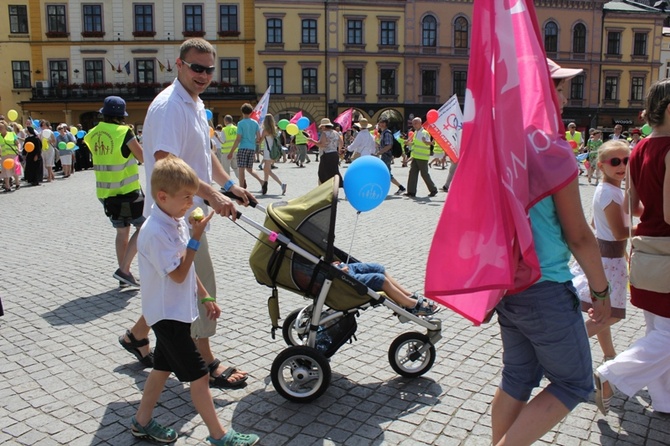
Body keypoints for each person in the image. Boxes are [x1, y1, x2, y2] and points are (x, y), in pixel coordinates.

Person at [120, 38, 253, 388]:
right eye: (197, 67)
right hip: (175, 215)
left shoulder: (195, 102)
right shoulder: (169, 107)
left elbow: (204, 155)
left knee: (169, 282)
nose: (204, 75)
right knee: (200, 283)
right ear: (178, 65)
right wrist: (210, 196)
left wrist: (228, 186)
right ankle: (206, 360)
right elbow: (168, 164)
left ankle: (136, 335)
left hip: (189, 210)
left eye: (210, 69)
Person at [490, 59, 611, 446]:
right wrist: (602, 292)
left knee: (517, 377)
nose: (563, 96)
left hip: (509, 282)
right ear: (539, 93)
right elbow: (579, 236)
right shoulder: (552, 152)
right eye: (557, 87)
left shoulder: (498, 147)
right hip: (545, 284)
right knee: (574, 382)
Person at [131, 155, 259, 446]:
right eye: (186, 197)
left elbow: (187, 271)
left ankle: (141, 422)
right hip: (167, 316)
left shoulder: (173, 218)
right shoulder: (155, 231)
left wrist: (206, 297)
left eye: (192, 197)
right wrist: (195, 240)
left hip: (176, 311)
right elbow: (177, 274)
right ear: (162, 196)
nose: (191, 203)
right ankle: (219, 436)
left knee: (161, 369)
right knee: (200, 377)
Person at [594, 79, 670, 416]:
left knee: (657, 330)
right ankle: (611, 373)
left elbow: (634, 206)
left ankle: (665, 401)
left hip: (645, 251)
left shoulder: (638, 149)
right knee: (666, 336)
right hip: (667, 250)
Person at [573, 140, 631, 373]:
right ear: (602, 165)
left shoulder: (608, 190)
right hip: (609, 261)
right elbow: (619, 232)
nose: (622, 166)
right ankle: (568, 345)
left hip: (607, 256)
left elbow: (596, 223)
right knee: (612, 314)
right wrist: (649, 230)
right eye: (615, 161)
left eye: (627, 160)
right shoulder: (611, 192)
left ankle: (609, 355)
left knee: (601, 311)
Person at [85, 96, 145, 289]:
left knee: (122, 232)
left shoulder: (92, 133)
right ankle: (124, 269)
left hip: (105, 192)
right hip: (126, 191)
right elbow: (141, 156)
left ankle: (124, 273)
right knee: (144, 227)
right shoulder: (123, 132)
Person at [335, 261, 438, 316]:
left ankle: (407, 296)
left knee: (377, 268)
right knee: (379, 279)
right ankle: (411, 305)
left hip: (340, 266)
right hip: (337, 276)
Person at [229, 103, 264, 191]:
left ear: (242, 112)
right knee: (249, 168)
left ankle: (241, 189)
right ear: (251, 112)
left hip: (243, 147)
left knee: (241, 169)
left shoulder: (240, 123)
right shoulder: (255, 123)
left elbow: (238, 139)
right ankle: (262, 181)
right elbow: (258, 137)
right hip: (251, 148)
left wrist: (231, 151)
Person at [405, 117, 438, 198]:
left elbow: (428, 143)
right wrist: (409, 143)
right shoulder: (416, 132)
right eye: (413, 123)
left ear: (420, 123)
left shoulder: (424, 132)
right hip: (416, 156)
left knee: (424, 174)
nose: (414, 125)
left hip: (422, 158)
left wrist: (426, 142)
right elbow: (415, 144)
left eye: (416, 123)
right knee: (412, 173)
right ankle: (411, 192)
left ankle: (433, 190)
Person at [308, 118, 343, 186]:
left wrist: (312, 141)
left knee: (322, 173)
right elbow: (341, 142)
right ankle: (340, 184)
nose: (321, 129)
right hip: (334, 154)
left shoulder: (324, 133)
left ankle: (322, 188)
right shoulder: (336, 132)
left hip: (326, 155)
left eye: (321, 127)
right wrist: (338, 150)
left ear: (324, 126)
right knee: (334, 171)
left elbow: (322, 145)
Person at [376, 118, 406, 195]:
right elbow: (384, 145)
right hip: (384, 155)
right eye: (380, 122)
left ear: (386, 124)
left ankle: (400, 187)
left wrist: (380, 152)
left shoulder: (387, 133)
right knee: (385, 173)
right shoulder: (383, 133)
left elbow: (389, 145)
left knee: (386, 173)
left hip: (386, 156)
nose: (381, 124)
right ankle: (400, 187)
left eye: (383, 123)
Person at [258, 114, 286, 195]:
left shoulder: (265, 131)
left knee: (268, 171)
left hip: (267, 152)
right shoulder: (276, 130)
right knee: (266, 170)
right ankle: (264, 188)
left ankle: (281, 184)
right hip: (273, 152)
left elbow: (260, 142)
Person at [0, 121, 20, 192]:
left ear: (5, 127)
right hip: (4, 156)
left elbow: (17, 143)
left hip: (13, 155)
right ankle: (7, 186)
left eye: (1, 127)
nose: (0, 129)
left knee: (15, 169)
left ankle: (17, 183)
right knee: (5, 171)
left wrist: (18, 148)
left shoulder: (12, 134)